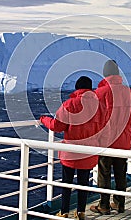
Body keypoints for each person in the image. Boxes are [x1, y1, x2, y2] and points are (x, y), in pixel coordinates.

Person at [40, 76, 102, 220]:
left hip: (71, 152)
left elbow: (57, 126)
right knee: (83, 183)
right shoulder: (99, 106)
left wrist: (43, 119)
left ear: (77, 88)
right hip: (89, 151)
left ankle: (64, 212)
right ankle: (81, 212)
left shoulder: (69, 104)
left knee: (67, 183)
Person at [90, 60, 131, 215]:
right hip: (123, 142)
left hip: (105, 142)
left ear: (105, 74)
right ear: (118, 74)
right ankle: (119, 204)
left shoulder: (99, 94)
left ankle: (104, 205)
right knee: (120, 173)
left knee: (104, 174)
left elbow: (94, 119)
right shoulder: (130, 93)